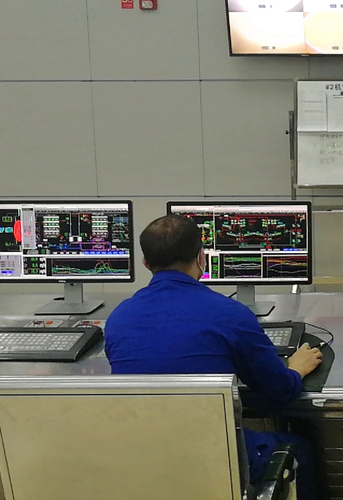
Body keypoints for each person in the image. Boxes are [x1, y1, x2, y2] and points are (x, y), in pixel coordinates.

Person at [105, 214, 322, 500]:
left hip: (146, 457)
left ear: (146, 263)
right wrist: (296, 370)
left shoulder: (118, 318)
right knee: (300, 449)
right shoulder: (229, 314)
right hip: (212, 457)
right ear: (201, 257)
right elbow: (280, 390)